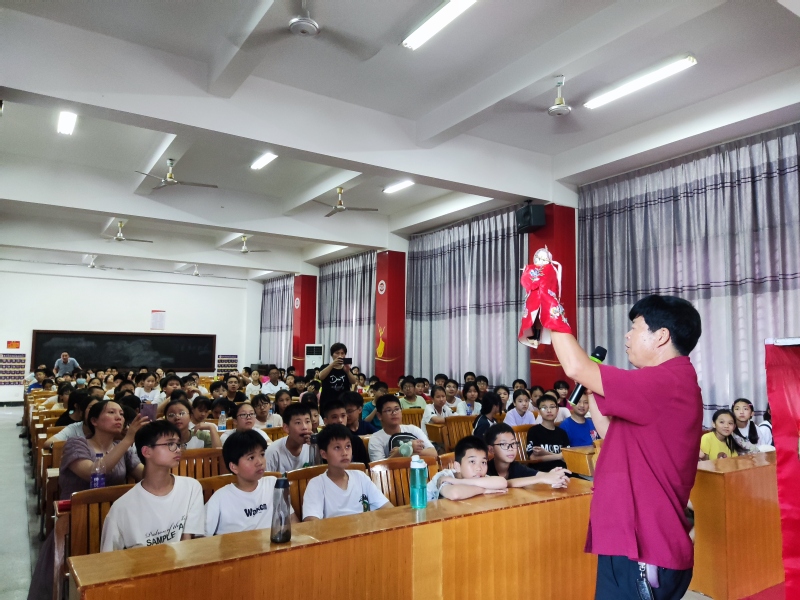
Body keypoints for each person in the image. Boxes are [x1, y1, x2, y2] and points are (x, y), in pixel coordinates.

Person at [549, 293, 703, 598]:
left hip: (644, 547)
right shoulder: (670, 381)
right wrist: (593, 389)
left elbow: (576, 367)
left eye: (635, 328)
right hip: (632, 539)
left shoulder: (666, 381)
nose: (627, 336)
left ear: (661, 336)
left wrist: (551, 307)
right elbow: (611, 432)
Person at [100, 421, 205, 551]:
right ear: (147, 451)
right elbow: (109, 557)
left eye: (178, 444)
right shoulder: (121, 508)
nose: (178, 449)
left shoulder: (191, 487)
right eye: (170, 444)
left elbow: (189, 541)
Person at [205, 430, 299, 536]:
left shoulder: (273, 484)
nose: (260, 462)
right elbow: (202, 537)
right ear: (234, 467)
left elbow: (291, 519)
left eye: (262, 454)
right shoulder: (220, 498)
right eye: (251, 458)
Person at [302, 424, 392, 521]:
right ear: (324, 454)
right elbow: (312, 523)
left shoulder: (361, 477)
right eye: (337, 447)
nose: (345, 453)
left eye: (348, 446)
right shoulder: (316, 484)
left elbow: (388, 509)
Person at [486, 423, 571, 487]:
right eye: (504, 444)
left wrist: (553, 474)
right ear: (491, 449)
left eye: (513, 443)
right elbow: (503, 483)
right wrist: (542, 478)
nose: (511, 448)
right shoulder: (485, 469)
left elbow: (537, 474)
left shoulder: (515, 466)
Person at [427, 436, 507, 500]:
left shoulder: (477, 476)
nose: (479, 468)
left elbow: (502, 482)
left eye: (483, 462)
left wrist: (456, 481)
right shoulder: (444, 476)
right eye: (472, 461)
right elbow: (455, 494)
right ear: (457, 466)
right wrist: (484, 490)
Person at [368, 396, 437, 462]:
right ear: (379, 416)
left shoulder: (413, 429)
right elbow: (379, 467)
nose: (394, 413)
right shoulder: (376, 439)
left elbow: (434, 454)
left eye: (397, 409)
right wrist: (399, 452)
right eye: (389, 410)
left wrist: (407, 450)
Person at [319, 400, 372, 465]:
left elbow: (364, 467)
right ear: (325, 421)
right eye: (334, 417)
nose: (340, 420)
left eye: (343, 416)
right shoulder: (319, 442)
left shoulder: (356, 441)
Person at [525, 395, 570, 471]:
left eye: (552, 407)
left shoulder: (562, 433)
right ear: (539, 412)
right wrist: (559, 456)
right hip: (541, 472)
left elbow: (567, 457)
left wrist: (545, 452)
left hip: (562, 470)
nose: (549, 410)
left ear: (557, 410)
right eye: (544, 408)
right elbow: (533, 458)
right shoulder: (534, 431)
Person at [264, 403, 312, 473]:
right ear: (286, 428)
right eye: (298, 423)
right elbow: (265, 479)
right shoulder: (272, 452)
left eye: (307, 421)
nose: (305, 427)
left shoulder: (315, 446)